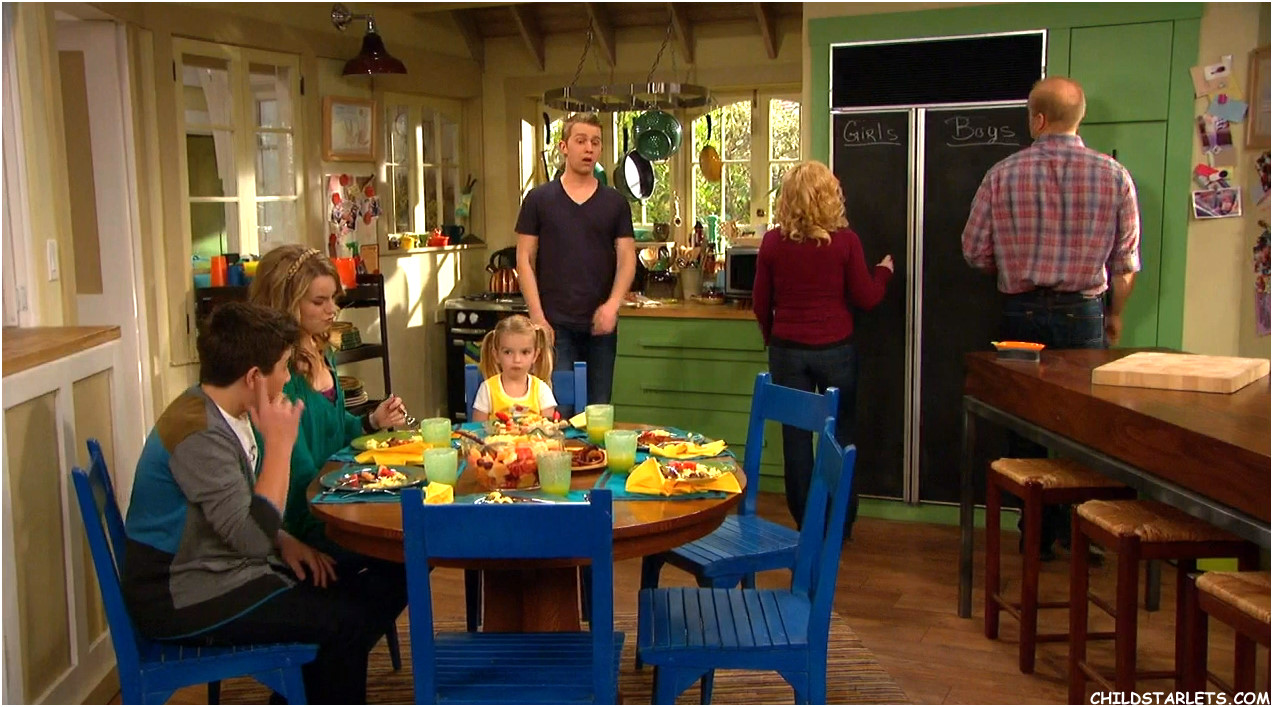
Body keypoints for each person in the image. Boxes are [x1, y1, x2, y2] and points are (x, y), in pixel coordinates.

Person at [122, 302, 405, 704]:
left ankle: (303, 693)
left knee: (372, 581)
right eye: (285, 367)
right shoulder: (199, 435)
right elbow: (252, 540)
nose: (288, 378)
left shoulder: (223, 410)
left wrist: (284, 541)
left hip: (225, 569)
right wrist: (280, 445)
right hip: (187, 595)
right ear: (254, 377)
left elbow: (242, 516)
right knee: (345, 622)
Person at [961, 76, 1141, 561]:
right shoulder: (1114, 176)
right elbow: (1125, 264)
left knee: (1024, 424)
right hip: (1083, 314)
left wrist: (1014, 263)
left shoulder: (1002, 174)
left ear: (1038, 120)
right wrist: (1115, 317)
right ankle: (1083, 534)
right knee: (1082, 427)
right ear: (1078, 117)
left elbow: (974, 251)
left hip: (1020, 316)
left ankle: (1036, 534)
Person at [752, 160, 894, 535]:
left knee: (796, 440)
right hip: (836, 350)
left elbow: (760, 303)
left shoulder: (772, 243)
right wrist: (884, 272)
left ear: (788, 198)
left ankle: (807, 525)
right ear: (830, 196)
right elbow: (866, 297)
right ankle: (839, 525)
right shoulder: (845, 242)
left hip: (788, 351)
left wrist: (773, 338)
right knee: (840, 436)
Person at [248, 245, 409, 549]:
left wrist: (371, 421)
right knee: (404, 546)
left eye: (333, 298)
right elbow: (299, 473)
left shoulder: (321, 350)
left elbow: (333, 427)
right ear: (286, 303)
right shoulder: (279, 372)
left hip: (337, 497)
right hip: (309, 518)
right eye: (319, 301)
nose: (332, 309)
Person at [516, 112, 636, 407]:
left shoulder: (615, 203)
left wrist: (612, 306)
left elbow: (627, 259)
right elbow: (524, 259)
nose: (588, 148)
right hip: (555, 326)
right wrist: (538, 318)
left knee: (598, 410)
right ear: (564, 147)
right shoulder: (539, 200)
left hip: (601, 325)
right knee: (559, 410)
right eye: (581, 141)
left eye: (595, 142)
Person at [471, 314, 558, 421]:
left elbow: (548, 428)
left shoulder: (542, 391)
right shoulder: (487, 390)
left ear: (535, 355)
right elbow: (477, 428)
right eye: (508, 352)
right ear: (496, 355)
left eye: (525, 352)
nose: (517, 360)